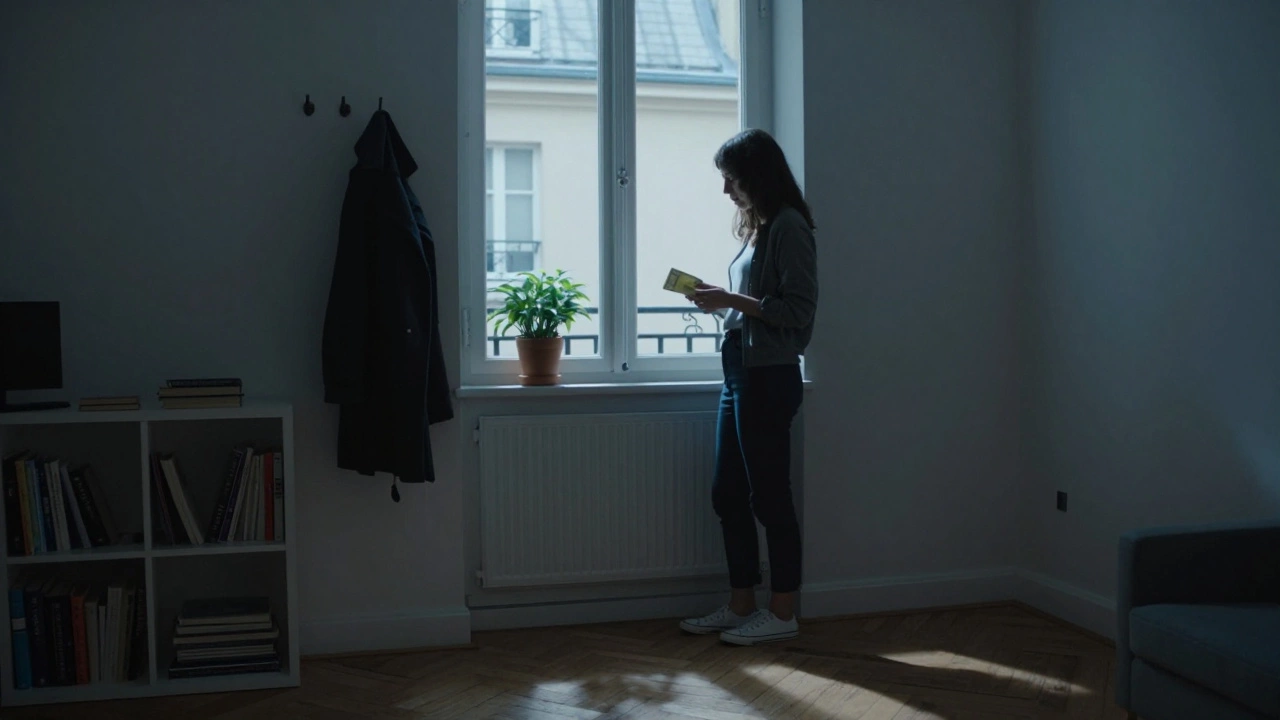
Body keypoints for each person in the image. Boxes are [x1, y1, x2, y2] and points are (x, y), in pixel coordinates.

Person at [679, 128, 818, 645]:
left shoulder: (789, 227)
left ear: (756, 176)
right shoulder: (759, 230)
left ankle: (782, 614)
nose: (725, 190)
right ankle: (742, 605)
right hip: (739, 370)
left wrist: (730, 301)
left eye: (730, 178)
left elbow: (799, 311)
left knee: (769, 499)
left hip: (767, 375)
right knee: (727, 493)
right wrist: (725, 301)